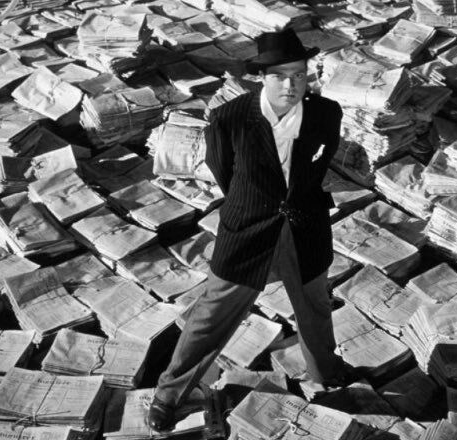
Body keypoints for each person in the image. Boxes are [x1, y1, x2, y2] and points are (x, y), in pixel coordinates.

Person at [148, 28, 350, 432]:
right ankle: (168, 395)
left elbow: (319, 165)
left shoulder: (326, 113)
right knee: (212, 314)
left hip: (305, 227)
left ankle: (326, 376)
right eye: (280, 76)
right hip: (246, 230)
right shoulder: (231, 117)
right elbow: (224, 170)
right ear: (261, 77)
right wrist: (254, 204)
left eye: (299, 74)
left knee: (314, 308)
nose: (290, 85)